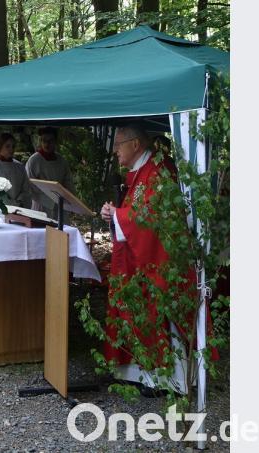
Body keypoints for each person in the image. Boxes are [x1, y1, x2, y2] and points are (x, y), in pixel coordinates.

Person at [99, 123, 187, 396]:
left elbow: (154, 218)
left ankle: (162, 379)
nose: (115, 152)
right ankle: (137, 373)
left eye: (118, 145)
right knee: (134, 310)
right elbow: (136, 211)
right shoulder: (140, 172)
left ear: (135, 144)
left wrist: (119, 215)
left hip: (157, 260)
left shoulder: (159, 171)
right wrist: (114, 213)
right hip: (137, 258)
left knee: (152, 312)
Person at [26, 127, 75, 217]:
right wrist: (48, 199)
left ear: (55, 141)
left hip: (60, 205)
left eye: (50, 141)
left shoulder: (61, 161)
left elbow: (68, 183)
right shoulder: (34, 160)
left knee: (60, 230)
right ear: (40, 141)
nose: (47, 144)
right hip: (41, 206)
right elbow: (29, 185)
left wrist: (71, 203)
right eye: (44, 140)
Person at [0, 132, 32, 208]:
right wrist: (7, 203)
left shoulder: (19, 166)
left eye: (13, 146)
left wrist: (18, 202)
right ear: (0, 147)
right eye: (7, 146)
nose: (11, 149)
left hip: (18, 208)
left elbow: (26, 190)